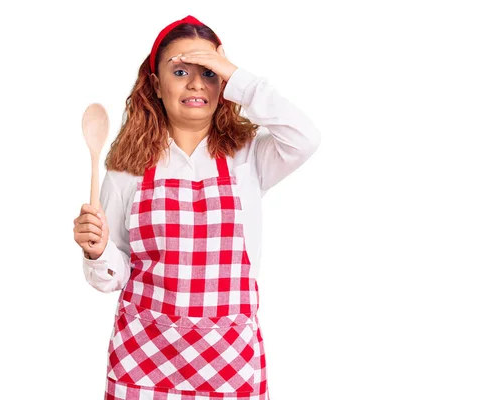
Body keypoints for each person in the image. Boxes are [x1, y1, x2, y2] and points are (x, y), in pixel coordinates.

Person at [73, 14, 320, 400]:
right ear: (155, 84)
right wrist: (98, 250)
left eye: (208, 73)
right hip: (144, 363)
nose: (195, 83)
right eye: (180, 71)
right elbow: (114, 275)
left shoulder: (248, 157)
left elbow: (305, 138)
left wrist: (236, 76)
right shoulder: (126, 167)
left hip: (230, 365)